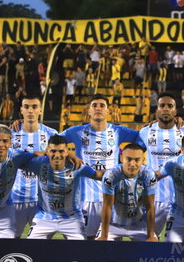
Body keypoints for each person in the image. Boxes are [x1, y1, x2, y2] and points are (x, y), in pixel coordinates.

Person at [60, 94, 139, 239]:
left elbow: (144, 138)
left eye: (102, 105)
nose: (98, 108)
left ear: (108, 111)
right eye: (94, 105)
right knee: (85, 241)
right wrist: (68, 154)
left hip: (112, 197)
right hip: (85, 199)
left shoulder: (117, 131)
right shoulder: (77, 131)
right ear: (88, 111)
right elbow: (54, 141)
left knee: (112, 240)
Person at [137, 93, 184, 236]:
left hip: (181, 198)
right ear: (157, 110)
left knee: (180, 244)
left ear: (175, 111)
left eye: (170, 106)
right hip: (153, 198)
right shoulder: (145, 131)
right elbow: (133, 156)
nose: (166, 109)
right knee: (148, 239)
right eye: (162, 105)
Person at [23, 135, 100, 240]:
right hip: (44, 217)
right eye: (53, 151)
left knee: (82, 251)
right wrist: (34, 153)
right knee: (29, 249)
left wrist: (122, 172)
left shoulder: (77, 166)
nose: (57, 155)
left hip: (72, 218)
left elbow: (98, 175)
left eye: (61, 151)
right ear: (47, 151)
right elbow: (15, 158)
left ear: (67, 152)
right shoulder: (39, 163)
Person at [9, 96, 58, 238]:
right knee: (10, 241)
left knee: (40, 245)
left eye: (35, 107)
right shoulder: (11, 133)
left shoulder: (51, 134)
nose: (30, 110)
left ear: (40, 110)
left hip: (42, 201)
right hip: (16, 198)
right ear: (21, 110)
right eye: (27, 107)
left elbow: (60, 158)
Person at [98, 143, 158, 242]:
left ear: (143, 160)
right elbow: (107, 206)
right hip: (113, 224)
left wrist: (151, 235)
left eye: (137, 160)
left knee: (152, 249)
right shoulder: (111, 175)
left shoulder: (148, 175)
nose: (132, 164)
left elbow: (150, 207)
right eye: (128, 159)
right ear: (121, 158)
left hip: (138, 223)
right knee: (100, 250)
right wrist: (104, 236)